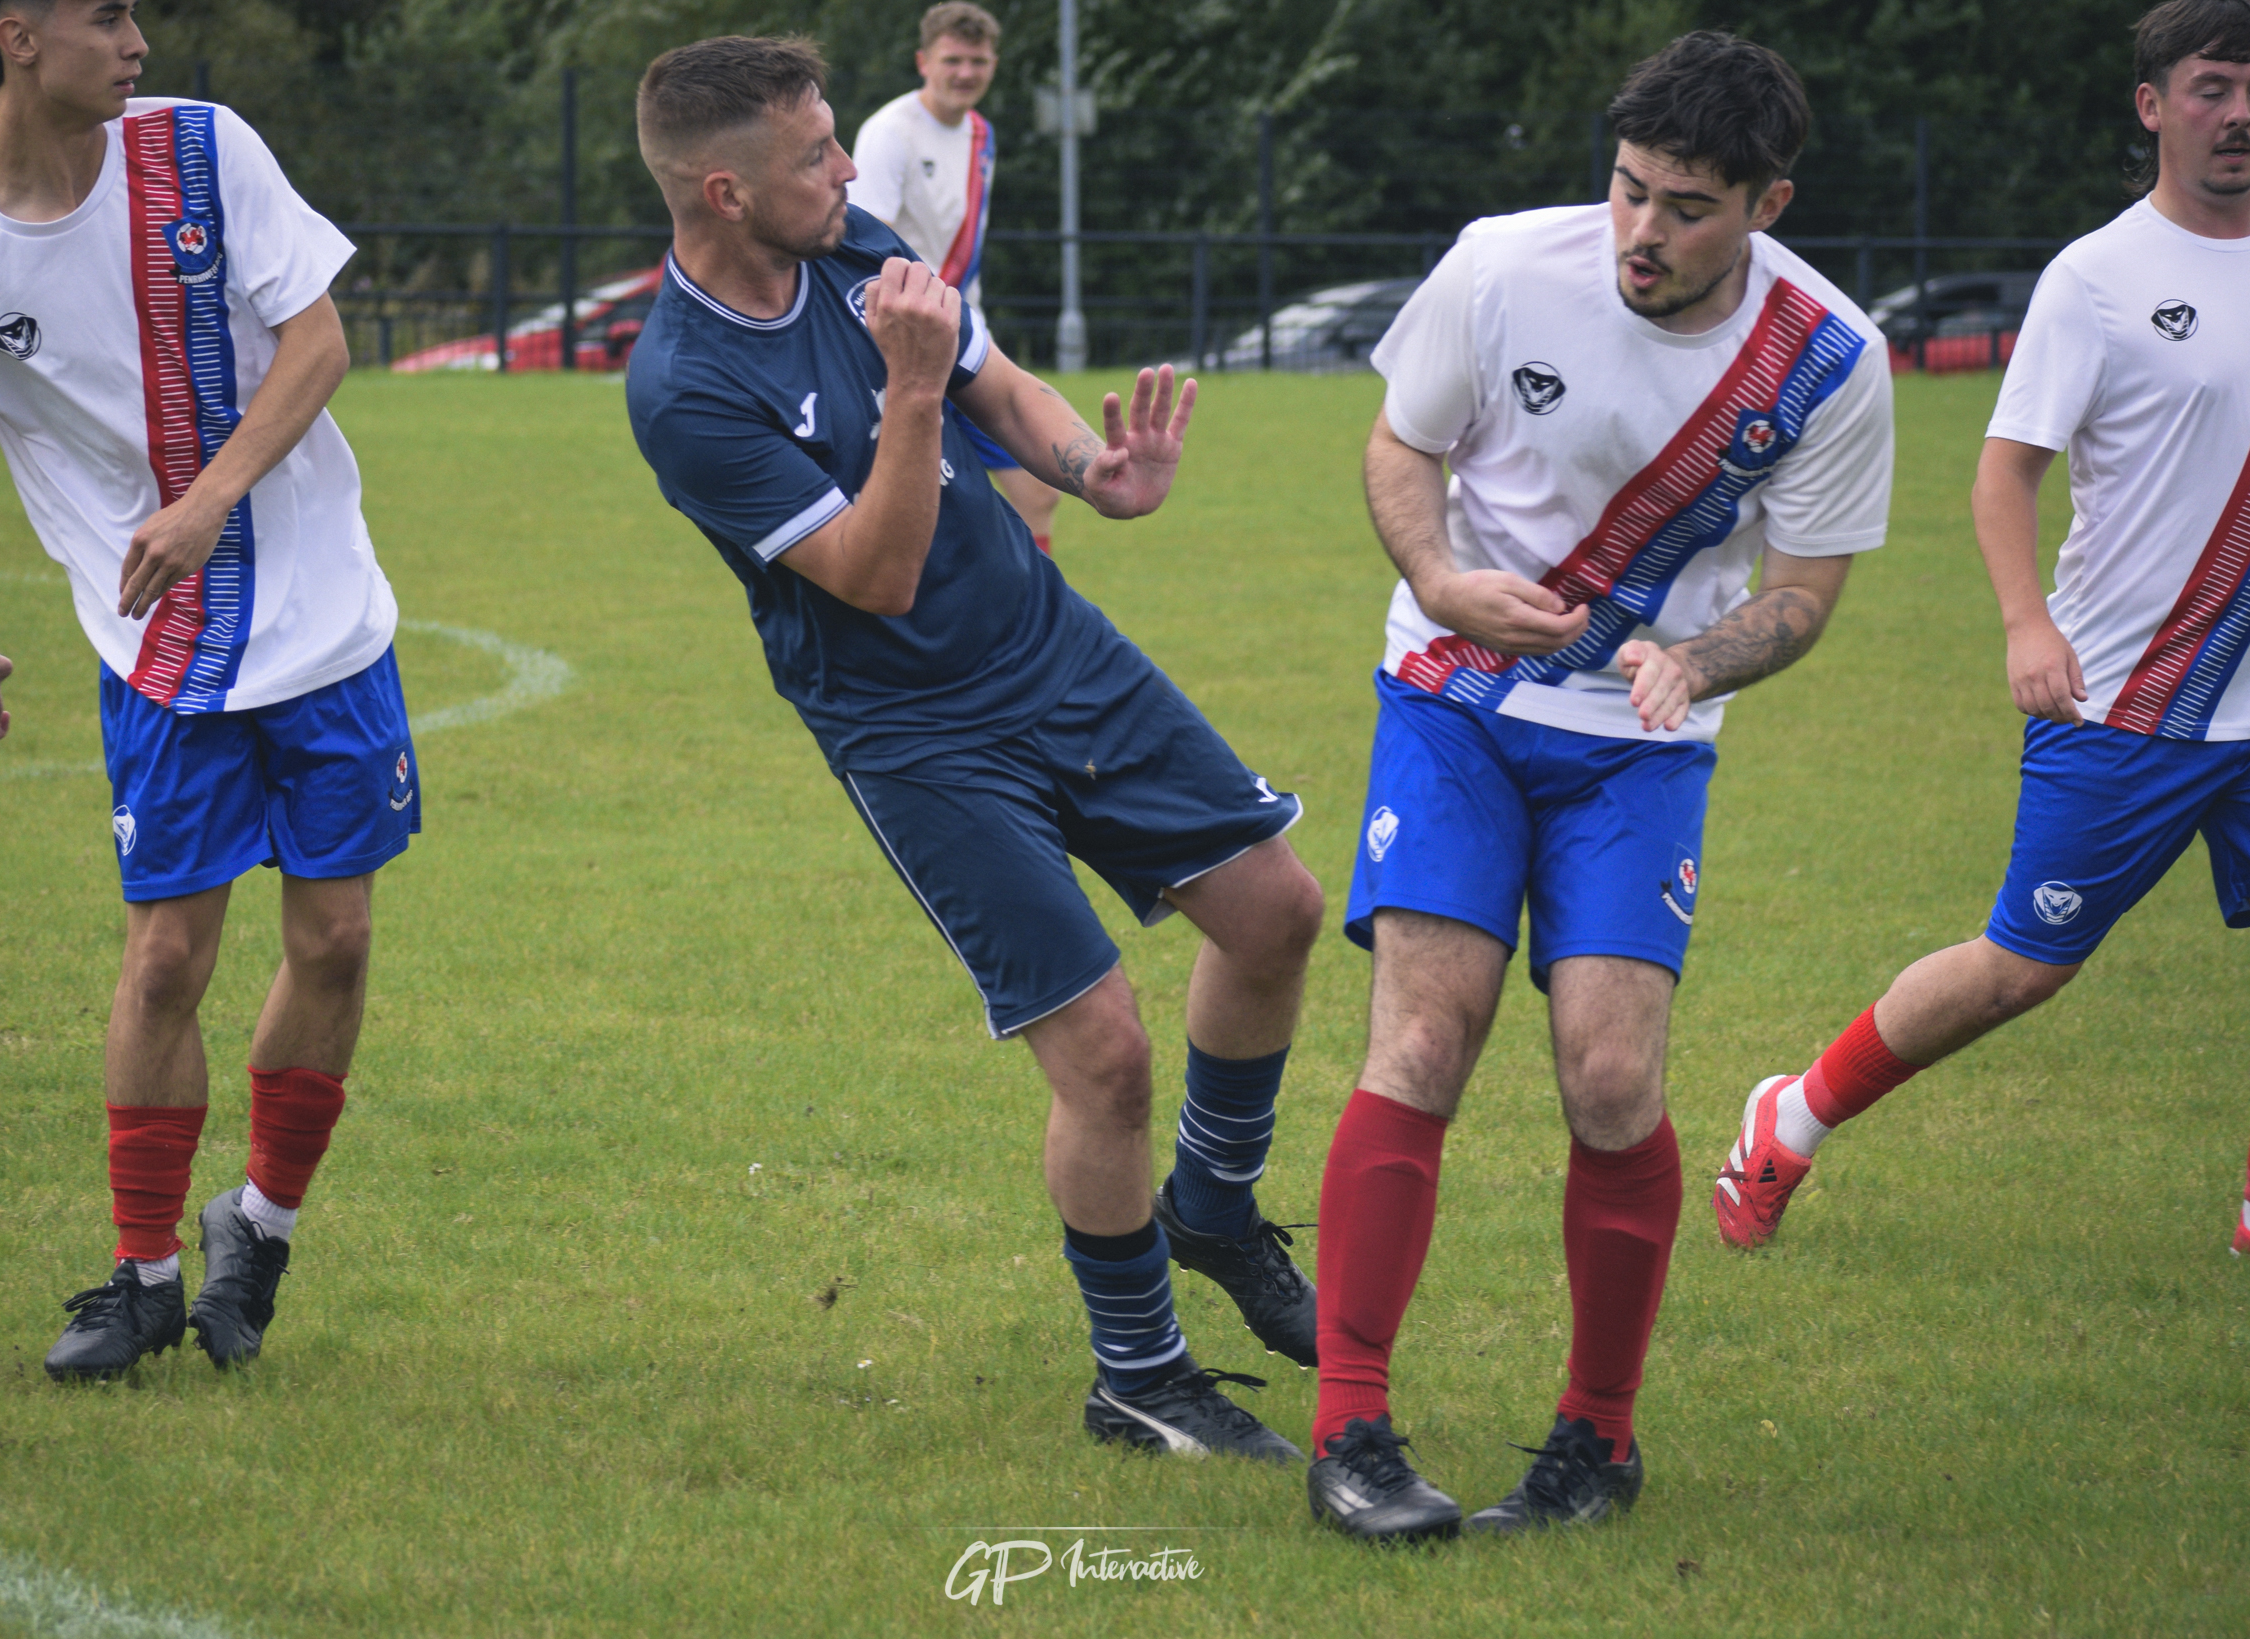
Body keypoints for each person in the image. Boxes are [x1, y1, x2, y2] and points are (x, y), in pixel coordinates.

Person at [628, 35, 1325, 1460]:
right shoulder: (684, 389)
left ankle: (1211, 1197)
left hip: (1050, 644)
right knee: (1106, 1054)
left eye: (836, 144)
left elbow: (999, 383)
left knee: (1276, 909)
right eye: (815, 156)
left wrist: (1092, 469)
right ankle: (1137, 1372)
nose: (847, 169)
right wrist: (910, 391)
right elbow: (875, 573)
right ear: (725, 190)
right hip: (915, 731)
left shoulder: (854, 242)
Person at [1306, 31, 1895, 1541]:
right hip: (1453, 699)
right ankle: (1349, 1433)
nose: (1642, 230)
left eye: (1688, 206)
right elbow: (1400, 441)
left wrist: (1694, 666)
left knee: (1615, 1076)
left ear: (1766, 203)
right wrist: (1440, 572)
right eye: (1629, 190)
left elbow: (1806, 591)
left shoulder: (1830, 359)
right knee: (1425, 1035)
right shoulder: (1504, 266)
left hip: (1640, 742)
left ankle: (1597, 1445)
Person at [1716, 0, 2250, 1268]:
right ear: (2152, 105)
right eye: (2211, 87)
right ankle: (1792, 1110)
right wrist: (2024, 625)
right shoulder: (2095, 279)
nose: (2238, 114)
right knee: (2019, 969)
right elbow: (2002, 476)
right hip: (2123, 700)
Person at [0, 0, 416, 1379]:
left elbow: (319, 345)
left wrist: (205, 502)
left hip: (326, 611)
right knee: (169, 953)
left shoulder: (203, 148)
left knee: (337, 939)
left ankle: (264, 1227)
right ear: (17, 35)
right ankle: (140, 1274)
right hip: (158, 649)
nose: (136, 42)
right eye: (106, 15)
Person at [845, 2, 1061, 553]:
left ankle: (1023, 616)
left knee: (1034, 491)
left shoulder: (981, 133)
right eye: (953, 60)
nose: (966, 72)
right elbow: (862, 244)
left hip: (959, 331)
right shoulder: (889, 132)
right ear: (923, 61)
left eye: (979, 61)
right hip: (903, 340)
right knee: (927, 499)